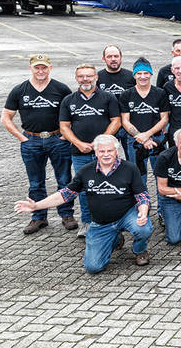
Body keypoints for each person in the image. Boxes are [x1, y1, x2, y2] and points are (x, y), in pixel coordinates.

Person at [15, 134, 153, 273]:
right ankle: (115, 239)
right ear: (96, 152)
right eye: (102, 151)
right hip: (101, 223)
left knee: (143, 228)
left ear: (116, 151)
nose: (106, 154)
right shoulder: (86, 171)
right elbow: (65, 194)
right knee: (93, 267)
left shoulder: (130, 168)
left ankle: (139, 250)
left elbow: (142, 196)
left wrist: (143, 211)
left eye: (110, 151)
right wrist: (36, 206)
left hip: (126, 215)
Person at [2, 54, 76, 234]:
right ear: (31, 68)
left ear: (50, 68)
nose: (40, 71)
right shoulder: (20, 90)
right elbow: (6, 117)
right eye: (37, 67)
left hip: (57, 140)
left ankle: (67, 215)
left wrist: (65, 136)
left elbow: (74, 113)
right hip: (31, 141)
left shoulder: (61, 89)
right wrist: (21, 138)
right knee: (35, 183)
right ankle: (38, 217)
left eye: (44, 67)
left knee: (64, 180)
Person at [59, 64, 121, 237]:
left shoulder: (108, 97)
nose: (85, 79)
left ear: (96, 77)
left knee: (110, 187)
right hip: (80, 154)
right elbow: (64, 127)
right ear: (76, 78)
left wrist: (100, 143)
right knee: (85, 188)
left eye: (89, 76)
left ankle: (112, 222)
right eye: (81, 76)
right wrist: (78, 143)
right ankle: (87, 223)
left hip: (106, 154)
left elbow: (116, 121)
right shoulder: (68, 100)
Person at [119, 57, 169, 206]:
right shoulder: (126, 95)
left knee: (161, 176)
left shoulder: (160, 93)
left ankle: (162, 210)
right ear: (134, 75)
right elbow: (125, 120)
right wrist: (139, 136)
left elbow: (164, 119)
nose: (142, 76)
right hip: (135, 141)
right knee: (139, 177)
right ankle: (143, 208)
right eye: (139, 73)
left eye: (146, 73)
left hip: (157, 140)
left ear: (151, 74)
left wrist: (147, 135)